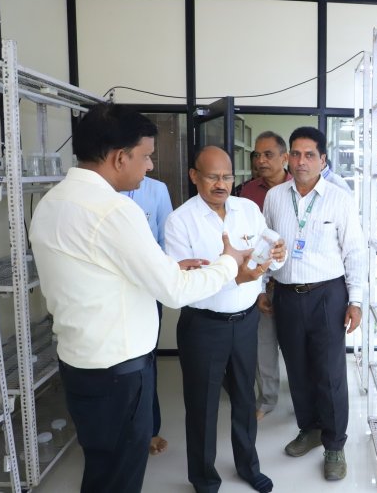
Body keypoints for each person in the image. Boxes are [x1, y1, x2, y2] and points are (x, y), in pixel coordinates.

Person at [29, 103, 253, 493]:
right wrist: (229, 264)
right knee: (120, 476)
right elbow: (174, 291)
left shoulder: (52, 202)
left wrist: (170, 268)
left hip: (80, 362)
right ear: (119, 157)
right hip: (118, 371)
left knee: (102, 465)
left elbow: (99, 273)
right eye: (146, 156)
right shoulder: (115, 210)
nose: (149, 166)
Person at [164, 145, 285, 493]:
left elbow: (269, 257)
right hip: (203, 327)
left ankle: (248, 465)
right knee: (202, 407)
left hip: (246, 322)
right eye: (212, 176)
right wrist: (234, 275)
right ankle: (203, 479)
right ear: (194, 176)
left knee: (246, 399)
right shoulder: (180, 220)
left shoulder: (247, 209)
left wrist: (278, 254)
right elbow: (183, 284)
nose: (221, 184)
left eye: (227, 176)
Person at [261, 126, 366, 481]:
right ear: (288, 158)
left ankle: (335, 443)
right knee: (298, 367)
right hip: (287, 294)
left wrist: (356, 301)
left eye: (309, 155)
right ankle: (310, 428)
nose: (301, 161)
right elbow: (266, 244)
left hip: (328, 295)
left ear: (323, 160)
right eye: (295, 153)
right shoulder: (275, 197)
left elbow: (354, 252)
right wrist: (263, 285)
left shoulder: (340, 199)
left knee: (330, 372)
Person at [236, 131, 291, 421]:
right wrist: (257, 286)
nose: (260, 160)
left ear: (284, 158)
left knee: (296, 346)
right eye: (256, 155)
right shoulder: (248, 192)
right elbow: (244, 242)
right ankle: (267, 399)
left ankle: (302, 399)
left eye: (267, 154)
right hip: (261, 280)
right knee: (264, 344)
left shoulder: (301, 189)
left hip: (295, 281)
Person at [120, 175, 172, 455]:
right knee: (115, 361)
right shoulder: (102, 190)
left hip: (148, 291)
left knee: (145, 358)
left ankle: (150, 428)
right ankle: (119, 431)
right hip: (112, 291)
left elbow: (166, 239)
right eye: (145, 154)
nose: (151, 164)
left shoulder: (157, 189)